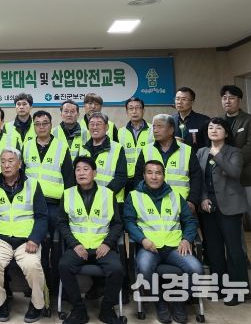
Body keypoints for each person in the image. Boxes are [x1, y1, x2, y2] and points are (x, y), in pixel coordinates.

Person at [124, 160, 203, 324]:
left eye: (158, 173)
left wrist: (187, 239)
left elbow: (190, 221)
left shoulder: (175, 196)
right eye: (150, 173)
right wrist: (142, 239)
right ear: (144, 175)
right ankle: (159, 301)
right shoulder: (134, 196)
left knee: (196, 269)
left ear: (163, 176)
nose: (154, 177)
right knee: (144, 268)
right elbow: (129, 223)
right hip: (149, 247)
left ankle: (179, 302)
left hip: (175, 247)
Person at [0, 148, 49, 323]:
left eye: (11, 161)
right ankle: (0, 302)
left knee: (33, 265)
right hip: (0, 240)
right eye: (3, 161)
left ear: (19, 164)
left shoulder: (33, 185)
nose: (6, 165)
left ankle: (37, 304)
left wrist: (35, 239)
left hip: (26, 241)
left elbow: (42, 216)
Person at [57, 157, 124, 324]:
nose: (81, 173)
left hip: (102, 246)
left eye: (86, 169)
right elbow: (62, 223)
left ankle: (107, 310)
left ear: (94, 173)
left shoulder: (108, 194)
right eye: (78, 169)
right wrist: (75, 244)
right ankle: (79, 310)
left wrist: (107, 244)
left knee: (117, 269)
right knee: (64, 266)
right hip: (78, 247)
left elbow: (117, 224)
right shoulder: (68, 194)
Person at [196, 118, 249, 305]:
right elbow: (198, 178)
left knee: (234, 250)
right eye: (210, 127)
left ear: (226, 133)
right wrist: (202, 198)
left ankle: (238, 292)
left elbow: (234, 172)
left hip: (230, 206)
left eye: (218, 128)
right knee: (214, 250)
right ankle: (218, 288)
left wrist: (217, 155)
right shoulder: (201, 152)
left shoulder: (235, 152)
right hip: (208, 206)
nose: (213, 130)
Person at [22, 110, 74, 293]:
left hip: (55, 205)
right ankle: (36, 285)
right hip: (31, 205)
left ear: (51, 125)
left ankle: (56, 286)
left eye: (45, 123)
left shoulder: (61, 147)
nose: (41, 127)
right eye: (37, 124)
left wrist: (67, 205)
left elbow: (69, 179)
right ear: (33, 126)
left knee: (56, 245)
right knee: (35, 244)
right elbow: (21, 176)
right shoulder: (26, 146)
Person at [220, 84, 251, 271]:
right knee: (234, 220)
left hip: (249, 176)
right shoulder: (219, 122)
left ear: (239, 100)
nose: (227, 101)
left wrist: (232, 164)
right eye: (224, 98)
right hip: (228, 179)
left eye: (231, 98)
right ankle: (240, 256)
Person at [133, 114, 203, 212]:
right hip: (152, 204)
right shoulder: (146, 150)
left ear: (171, 130)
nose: (155, 130)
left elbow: (196, 177)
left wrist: (192, 201)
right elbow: (138, 177)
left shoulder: (186, 150)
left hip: (181, 204)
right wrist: (141, 198)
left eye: (160, 126)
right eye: (154, 127)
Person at [78, 112, 128, 202]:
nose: (94, 127)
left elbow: (121, 177)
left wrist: (103, 195)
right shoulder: (83, 148)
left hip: (111, 201)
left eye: (98, 124)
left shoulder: (117, 148)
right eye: (91, 124)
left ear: (107, 127)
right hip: (85, 200)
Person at [117, 97, 153, 196]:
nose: (134, 111)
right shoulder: (121, 132)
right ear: (127, 112)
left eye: (137, 108)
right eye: (131, 108)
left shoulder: (152, 130)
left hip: (147, 176)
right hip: (127, 178)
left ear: (143, 110)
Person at [171, 87, 209, 156]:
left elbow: (208, 145)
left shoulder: (204, 120)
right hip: (175, 158)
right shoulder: (170, 119)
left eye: (184, 99)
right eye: (177, 99)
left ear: (192, 102)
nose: (179, 102)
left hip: (196, 158)